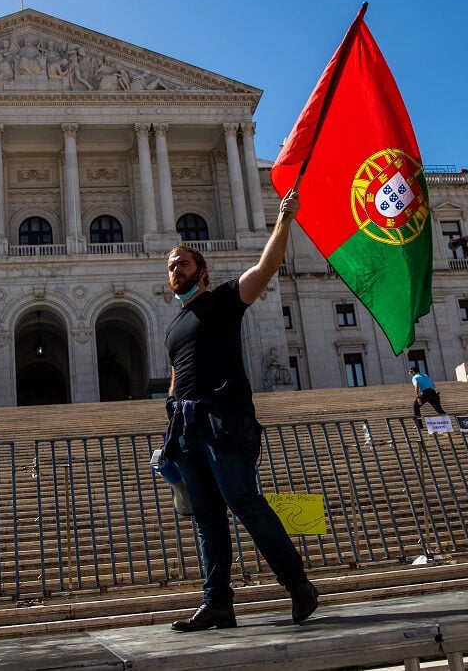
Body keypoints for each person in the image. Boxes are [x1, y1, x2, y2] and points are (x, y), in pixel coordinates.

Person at [162, 189, 317, 632]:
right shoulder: (173, 326)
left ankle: (299, 585)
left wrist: (283, 220)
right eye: (172, 266)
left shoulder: (224, 300)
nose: (176, 270)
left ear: (202, 273)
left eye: (184, 264)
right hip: (188, 430)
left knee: (243, 501)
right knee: (207, 519)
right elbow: (176, 376)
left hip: (225, 420)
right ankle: (217, 603)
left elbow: (266, 268)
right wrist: (170, 434)